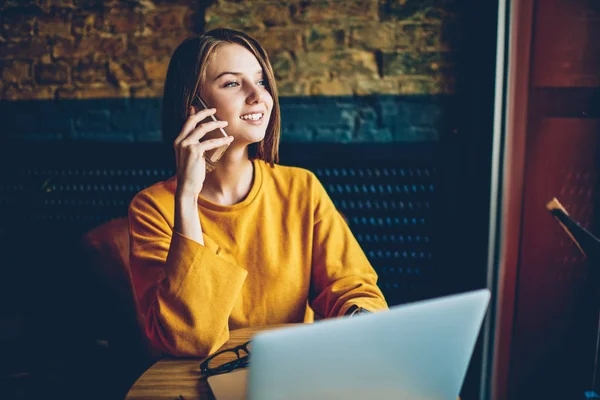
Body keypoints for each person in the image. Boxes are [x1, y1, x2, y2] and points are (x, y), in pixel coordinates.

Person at [128, 28, 388, 357]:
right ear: (192, 105)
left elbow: (353, 287)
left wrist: (363, 321)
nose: (259, 96)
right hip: (197, 379)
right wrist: (187, 199)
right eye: (232, 83)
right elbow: (189, 340)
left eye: (261, 80)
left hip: (292, 373)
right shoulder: (152, 208)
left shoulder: (301, 187)